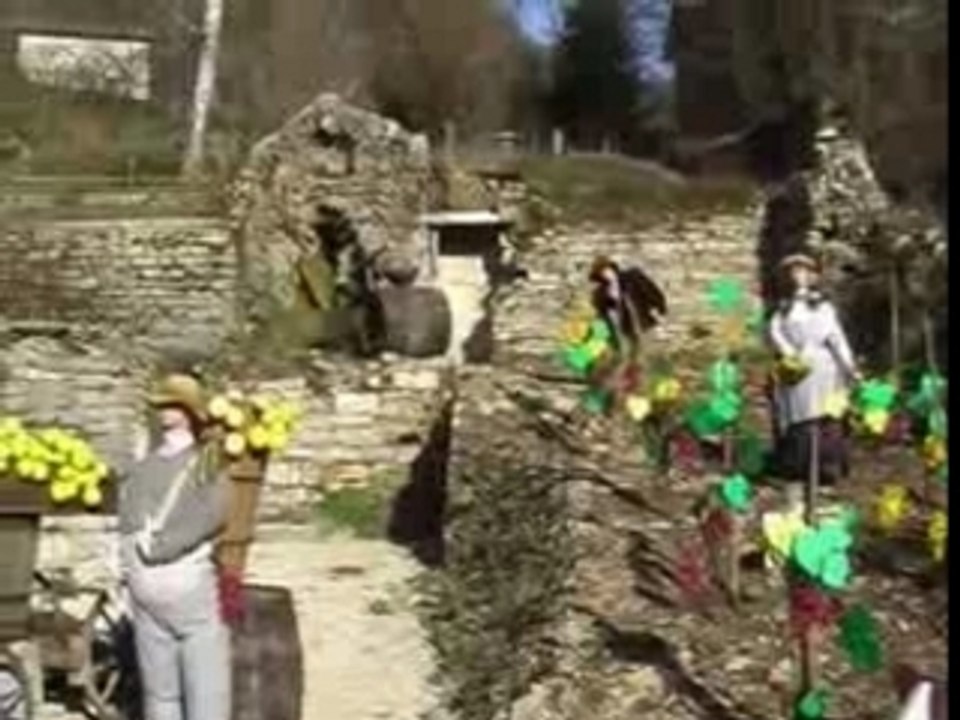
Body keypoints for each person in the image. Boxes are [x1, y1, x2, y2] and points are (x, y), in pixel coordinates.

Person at [118, 374, 231, 720]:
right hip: (183, 581)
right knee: (207, 690)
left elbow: (127, 522)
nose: (165, 410)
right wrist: (165, 547)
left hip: (141, 584)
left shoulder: (140, 468)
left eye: (169, 404)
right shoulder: (206, 463)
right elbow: (214, 514)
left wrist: (132, 563)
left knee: (161, 694)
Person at [767, 253, 861, 484]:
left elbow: (836, 338)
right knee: (798, 416)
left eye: (802, 271)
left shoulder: (822, 307)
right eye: (793, 272)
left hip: (822, 366)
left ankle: (827, 464)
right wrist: (790, 353)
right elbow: (775, 332)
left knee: (826, 413)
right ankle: (798, 464)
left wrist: (849, 367)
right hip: (796, 368)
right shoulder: (783, 308)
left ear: (812, 276)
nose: (798, 276)